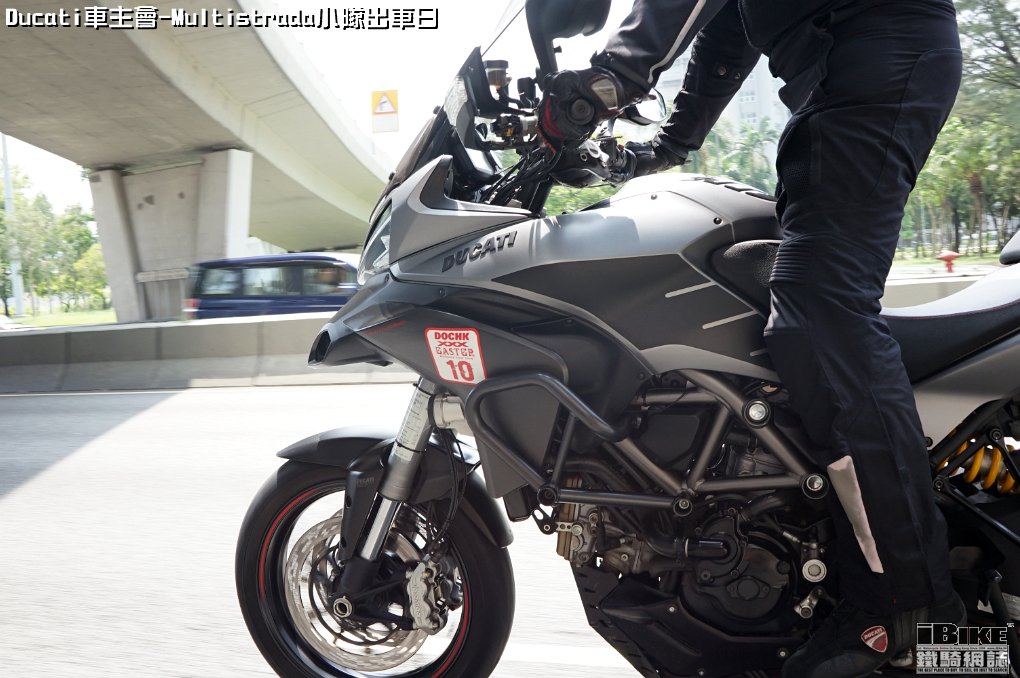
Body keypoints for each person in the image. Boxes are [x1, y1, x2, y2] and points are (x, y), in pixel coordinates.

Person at [538, 1, 967, 676]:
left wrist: (609, 78)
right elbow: (727, 31)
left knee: (819, 310)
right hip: (848, 73)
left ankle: (910, 608)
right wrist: (670, 144)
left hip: (874, 65)